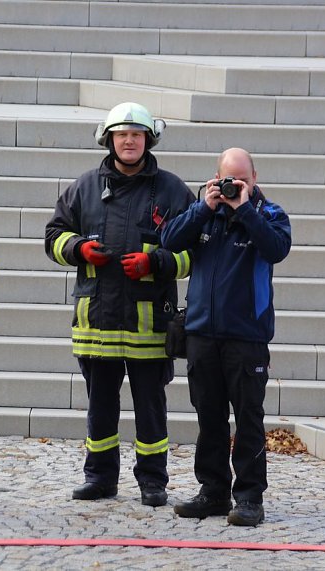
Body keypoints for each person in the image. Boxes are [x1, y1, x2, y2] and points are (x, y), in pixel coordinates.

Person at [45, 102, 194, 507]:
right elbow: (53, 236)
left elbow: (195, 254)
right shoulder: (84, 187)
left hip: (148, 324)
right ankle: (100, 477)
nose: (129, 141)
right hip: (98, 321)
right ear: (108, 139)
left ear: (148, 139)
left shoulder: (172, 191)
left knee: (151, 408)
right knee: (100, 406)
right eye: (122, 134)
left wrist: (157, 261)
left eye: (136, 134)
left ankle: (152, 481)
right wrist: (77, 249)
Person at [160, 147, 291, 526]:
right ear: (214, 178)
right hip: (202, 333)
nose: (234, 187)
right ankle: (213, 492)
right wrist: (205, 206)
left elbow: (276, 248)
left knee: (248, 418)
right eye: (227, 180)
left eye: (242, 180)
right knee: (210, 418)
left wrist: (244, 209)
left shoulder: (269, 214)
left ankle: (250, 498)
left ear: (254, 179)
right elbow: (168, 239)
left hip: (246, 336)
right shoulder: (205, 214)